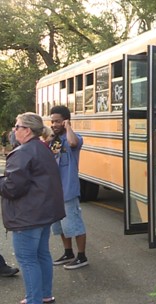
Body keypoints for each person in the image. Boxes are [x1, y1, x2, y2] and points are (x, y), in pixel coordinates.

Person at [0, 112, 65, 304]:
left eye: (17, 126)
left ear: (27, 130)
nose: (14, 129)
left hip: (27, 215)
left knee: (28, 259)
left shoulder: (22, 153)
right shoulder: (42, 147)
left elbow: (12, 188)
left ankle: (33, 299)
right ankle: (45, 295)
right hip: (44, 213)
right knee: (42, 254)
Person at [49, 105, 88, 270]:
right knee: (60, 226)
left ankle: (82, 256)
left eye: (57, 121)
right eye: (52, 121)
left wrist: (68, 127)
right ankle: (68, 252)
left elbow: (73, 143)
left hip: (68, 190)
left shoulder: (74, 137)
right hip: (54, 192)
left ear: (65, 121)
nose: (54, 124)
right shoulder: (55, 141)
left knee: (74, 224)